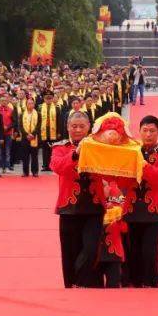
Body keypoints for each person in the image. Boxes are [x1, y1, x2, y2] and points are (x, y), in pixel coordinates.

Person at [49, 111, 104, 288]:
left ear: (89, 127)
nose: (78, 130)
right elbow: (58, 167)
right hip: (69, 206)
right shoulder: (60, 147)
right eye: (74, 126)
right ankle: (72, 283)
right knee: (70, 249)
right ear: (67, 127)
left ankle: (88, 281)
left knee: (91, 248)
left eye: (82, 126)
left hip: (94, 205)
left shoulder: (100, 146)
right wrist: (76, 153)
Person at [122, 115, 158, 288]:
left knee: (151, 251)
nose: (148, 134)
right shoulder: (130, 151)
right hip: (131, 208)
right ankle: (134, 280)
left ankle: (151, 281)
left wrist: (142, 164)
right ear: (139, 131)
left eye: (152, 131)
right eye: (145, 130)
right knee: (132, 249)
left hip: (155, 210)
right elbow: (121, 179)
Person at [18, 97, 41, 177]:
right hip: (25, 137)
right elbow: (20, 126)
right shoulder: (22, 114)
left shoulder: (38, 114)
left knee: (34, 155)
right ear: (26, 104)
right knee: (25, 156)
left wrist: (33, 134)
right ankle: (25, 172)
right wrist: (26, 134)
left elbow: (39, 126)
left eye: (32, 103)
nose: (30, 105)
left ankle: (35, 171)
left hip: (35, 137)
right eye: (29, 103)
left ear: (34, 104)